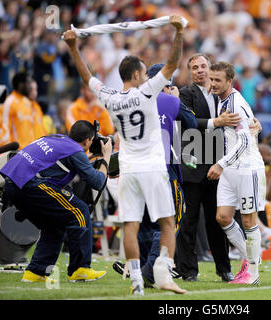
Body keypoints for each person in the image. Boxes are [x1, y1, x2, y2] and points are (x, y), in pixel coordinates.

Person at [63, 15, 186, 296]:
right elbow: (172, 63)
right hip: (153, 166)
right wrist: (178, 31)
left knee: (130, 225)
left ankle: (137, 284)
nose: (147, 77)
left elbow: (87, 76)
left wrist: (73, 48)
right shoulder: (147, 93)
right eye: (144, 73)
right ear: (136, 75)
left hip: (128, 168)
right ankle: (163, 274)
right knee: (168, 222)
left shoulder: (110, 97)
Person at [111, 63, 197, 287]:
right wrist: (175, 102)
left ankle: (138, 270)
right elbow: (192, 124)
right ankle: (152, 271)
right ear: (166, 84)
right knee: (171, 218)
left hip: (130, 168)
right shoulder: (170, 100)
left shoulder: (123, 99)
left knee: (142, 222)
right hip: (160, 169)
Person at [0, 120, 111, 283]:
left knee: (55, 223)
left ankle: (36, 272)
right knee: (79, 211)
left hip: (13, 182)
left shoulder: (56, 138)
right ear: (88, 141)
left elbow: (63, 162)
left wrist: (92, 158)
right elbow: (98, 182)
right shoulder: (74, 150)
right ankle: (80, 269)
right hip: (31, 184)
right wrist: (106, 157)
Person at [176, 53, 240, 283]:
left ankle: (224, 269)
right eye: (195, 67)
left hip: (217, 168)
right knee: (189, 223)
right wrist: (217, 122)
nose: (200, 71)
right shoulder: (184, 93)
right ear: (190, 72)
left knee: (218, 222)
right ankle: (188, 271)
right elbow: (188, 123)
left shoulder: (222, 93)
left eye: (203, 66)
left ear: (211, 68)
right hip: (193, 168)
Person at [207, 61, 265, 285]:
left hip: (247, 166)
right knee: (222, 216)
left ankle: (252, 273)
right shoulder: (222, 100)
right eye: (212, 79)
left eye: (217, 80)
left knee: (249, 219)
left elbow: (244, 141)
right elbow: (250, 128)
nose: (213, 84)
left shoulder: (236, 104)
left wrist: (220, 164)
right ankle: (253, 259)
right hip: (231, 168)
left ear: (229, 81)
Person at [0, 72, 41, 149]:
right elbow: (4, 131)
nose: (30, 87)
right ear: (21, 85)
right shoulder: (9, 103)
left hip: (30, 150)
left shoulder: (27, 102)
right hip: (17, 152)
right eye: (28, 83)